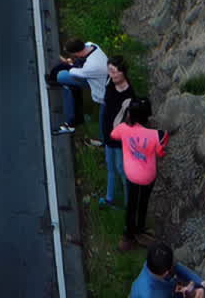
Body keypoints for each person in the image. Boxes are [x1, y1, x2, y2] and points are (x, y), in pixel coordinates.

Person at [111, 97, 169, 250]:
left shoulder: (123, 129)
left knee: (131, 204)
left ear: (130, 114)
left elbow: (113, 134)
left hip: (131, 175)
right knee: (143, 202)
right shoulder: (159, 134)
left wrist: (123, 111)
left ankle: (128, 236)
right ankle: (141, 229)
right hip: (149, 176)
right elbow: (161, 152)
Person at [51, 37, 108, 136]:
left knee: (62, 77)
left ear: (76, 53)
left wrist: (70, 63)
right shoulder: (92, 45)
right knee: (69, 84)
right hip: (98, 78)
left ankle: (101, 139)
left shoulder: (91, 66)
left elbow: (74, 72)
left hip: (102, 93)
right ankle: (74, 119)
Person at [100, 55, 134, 207]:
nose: (111, 74)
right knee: (110, 166)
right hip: (108, 132)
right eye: (110, 71)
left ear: (122, 72)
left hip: (120, 137)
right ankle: (109, 198)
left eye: (114, 72)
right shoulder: (110, 83)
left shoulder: (129, 94)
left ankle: (129, 203)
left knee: (121, 168)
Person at [129, 240, 205, 296]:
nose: (174, 263)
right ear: (166, 272)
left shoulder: (154, 262)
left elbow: (178, 267)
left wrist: (201, 283)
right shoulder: (149, 294)